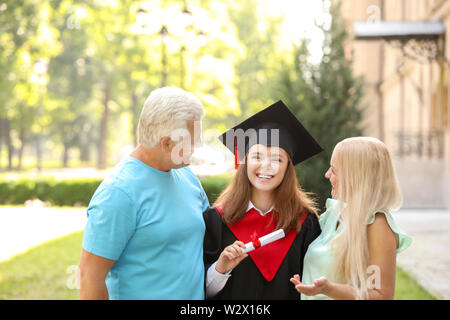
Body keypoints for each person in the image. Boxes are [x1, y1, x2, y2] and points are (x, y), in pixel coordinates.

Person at [79, 87, 209, 300]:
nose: (198, 146)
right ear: (167, 143)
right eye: (192, 141)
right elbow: (89, 277)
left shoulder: (187, 177)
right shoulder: (118, 193)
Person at [203, 100, 323, 299]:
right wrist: (220, 268)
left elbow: (315, 290)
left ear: (287, 168)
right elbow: (201, 293)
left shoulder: (305, 223)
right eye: (257, 156)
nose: (266, 166)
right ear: (245, 162)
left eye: (277, 159)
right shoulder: (217, 220)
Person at [291, 137, 412, 300]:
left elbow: (381, 296)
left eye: (333, 170)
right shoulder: (333, 214)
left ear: (355, 177)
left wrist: (329, 289)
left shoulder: (377, 224)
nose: (327, 175)